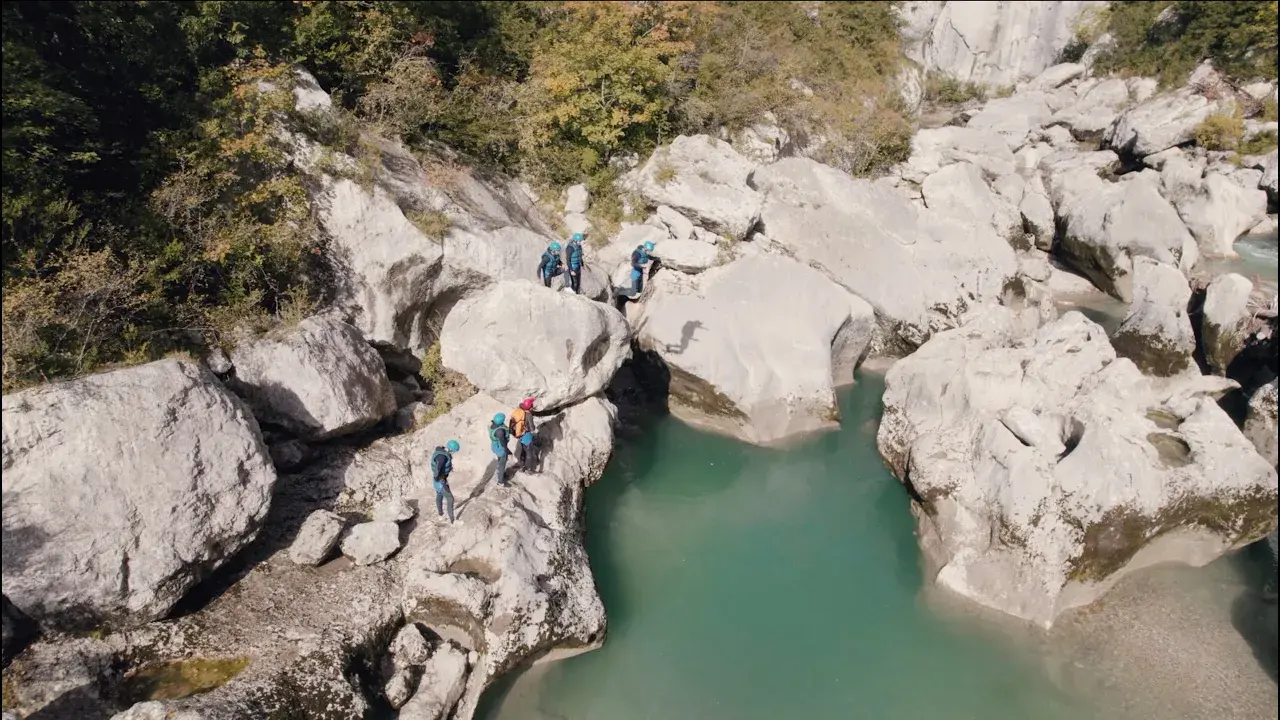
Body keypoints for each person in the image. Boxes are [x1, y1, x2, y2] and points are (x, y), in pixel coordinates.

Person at [430, 440, 460, 523]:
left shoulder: (441, 451)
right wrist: (439, 479)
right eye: (454, 451)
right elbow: (438, 467)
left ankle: (440, 515)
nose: (453, 453)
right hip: (440, 481)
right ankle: (453, 521)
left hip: (438, 480)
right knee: (450, 499)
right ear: (451, 449)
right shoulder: (442, 457)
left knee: (439, 495)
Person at [507, 397, 539, 473]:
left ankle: (522, 465)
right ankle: (529, 469)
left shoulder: (519, 411)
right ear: (530, 406)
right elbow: (532, 429)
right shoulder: (528, 415)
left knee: (523, 451)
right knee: (529, 452)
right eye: (532, 405)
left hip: (519, 434)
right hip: (526, 436)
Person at [489, 413, 511, 487]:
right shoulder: (500, 431)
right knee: (502, 463)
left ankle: (501, 474)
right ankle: (500, 482)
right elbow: (503, 442)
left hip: (495, 446)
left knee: (500, 461)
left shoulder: (492, 425)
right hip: (500, 447)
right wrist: (506, 450)